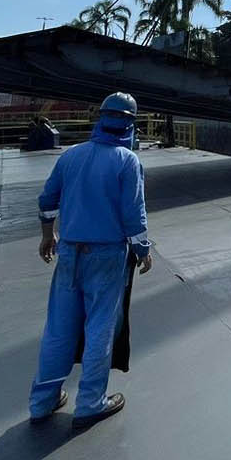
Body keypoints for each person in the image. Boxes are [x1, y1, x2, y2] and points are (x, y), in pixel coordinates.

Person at [30, 91, 152, 428]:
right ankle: (90, 403)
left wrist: (46, 235)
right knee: (100, 326)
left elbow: (47, 199)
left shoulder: (71, 156)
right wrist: (143, 250)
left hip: (69, 251)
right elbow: (134, 216)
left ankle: (42, 401)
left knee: (58, 327)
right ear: (129, 123)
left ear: (100, 118)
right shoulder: (128, 162)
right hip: (107, 255)